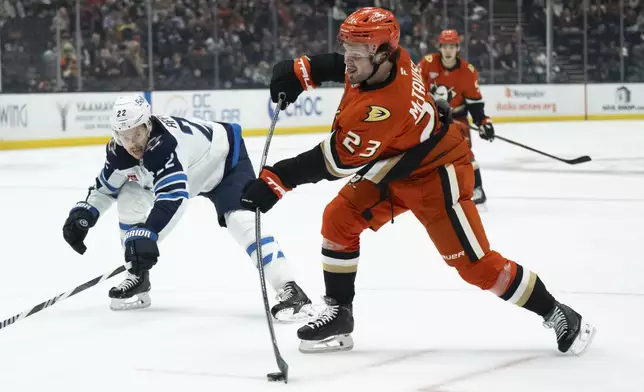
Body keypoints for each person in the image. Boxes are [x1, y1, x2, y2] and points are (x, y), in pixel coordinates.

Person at [239, 8, 595, 354]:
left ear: (382, 53)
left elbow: (332, 162)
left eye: (356, 54)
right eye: (348, 49)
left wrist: (276, 179)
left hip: (438, 171)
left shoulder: (380, 109)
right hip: (398, 161)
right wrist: (302, 71)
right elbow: (340, 65)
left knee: (476, 267)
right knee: (338, 218)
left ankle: (558, 312)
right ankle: (340, 314)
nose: (348, 60)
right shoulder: (390, 60)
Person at [61, 94, 314, 321]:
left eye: (137, 133)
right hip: (189, 171)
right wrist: (83, 214)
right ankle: (138, 275)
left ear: (148, 125)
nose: (132, 143)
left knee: (240, 220)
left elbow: (174, 197)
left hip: (223, 164)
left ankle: (290, 288)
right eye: (124, 136)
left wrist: (150, 233)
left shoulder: (165, 146)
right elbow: (104, 189)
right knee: (129, 193)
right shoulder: (120, 151)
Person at [418, 29, 493, 206]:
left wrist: (483, 122)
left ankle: (477, 188)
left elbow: (475, 104)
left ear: (457, 48)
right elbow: (416, 90)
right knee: (424, 153)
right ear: (440, 47)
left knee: (464, 151)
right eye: (445, 46)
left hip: (456, 116)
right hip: (431, 116)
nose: (448, 50)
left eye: (452, 46)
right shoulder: (427, 63)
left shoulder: (468, 71)